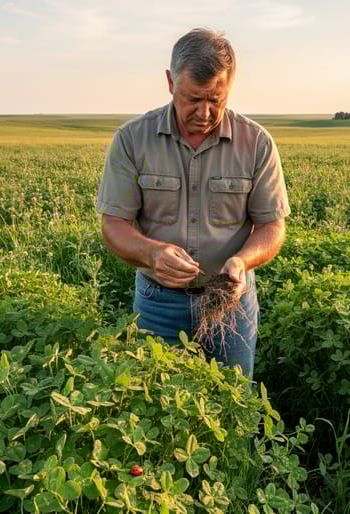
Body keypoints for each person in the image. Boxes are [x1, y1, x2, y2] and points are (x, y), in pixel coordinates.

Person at [96, 28, 289, 384]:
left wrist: (241, 262)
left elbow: (272, 227)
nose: (205, 112)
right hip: (158, 304)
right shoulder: (132, 139)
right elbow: (114, 226)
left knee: (234, 407)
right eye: (193, 99)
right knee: (157, 408)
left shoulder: (257, 142)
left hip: (230, 303)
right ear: (170, 83)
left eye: (217, 100)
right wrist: (153, 254)